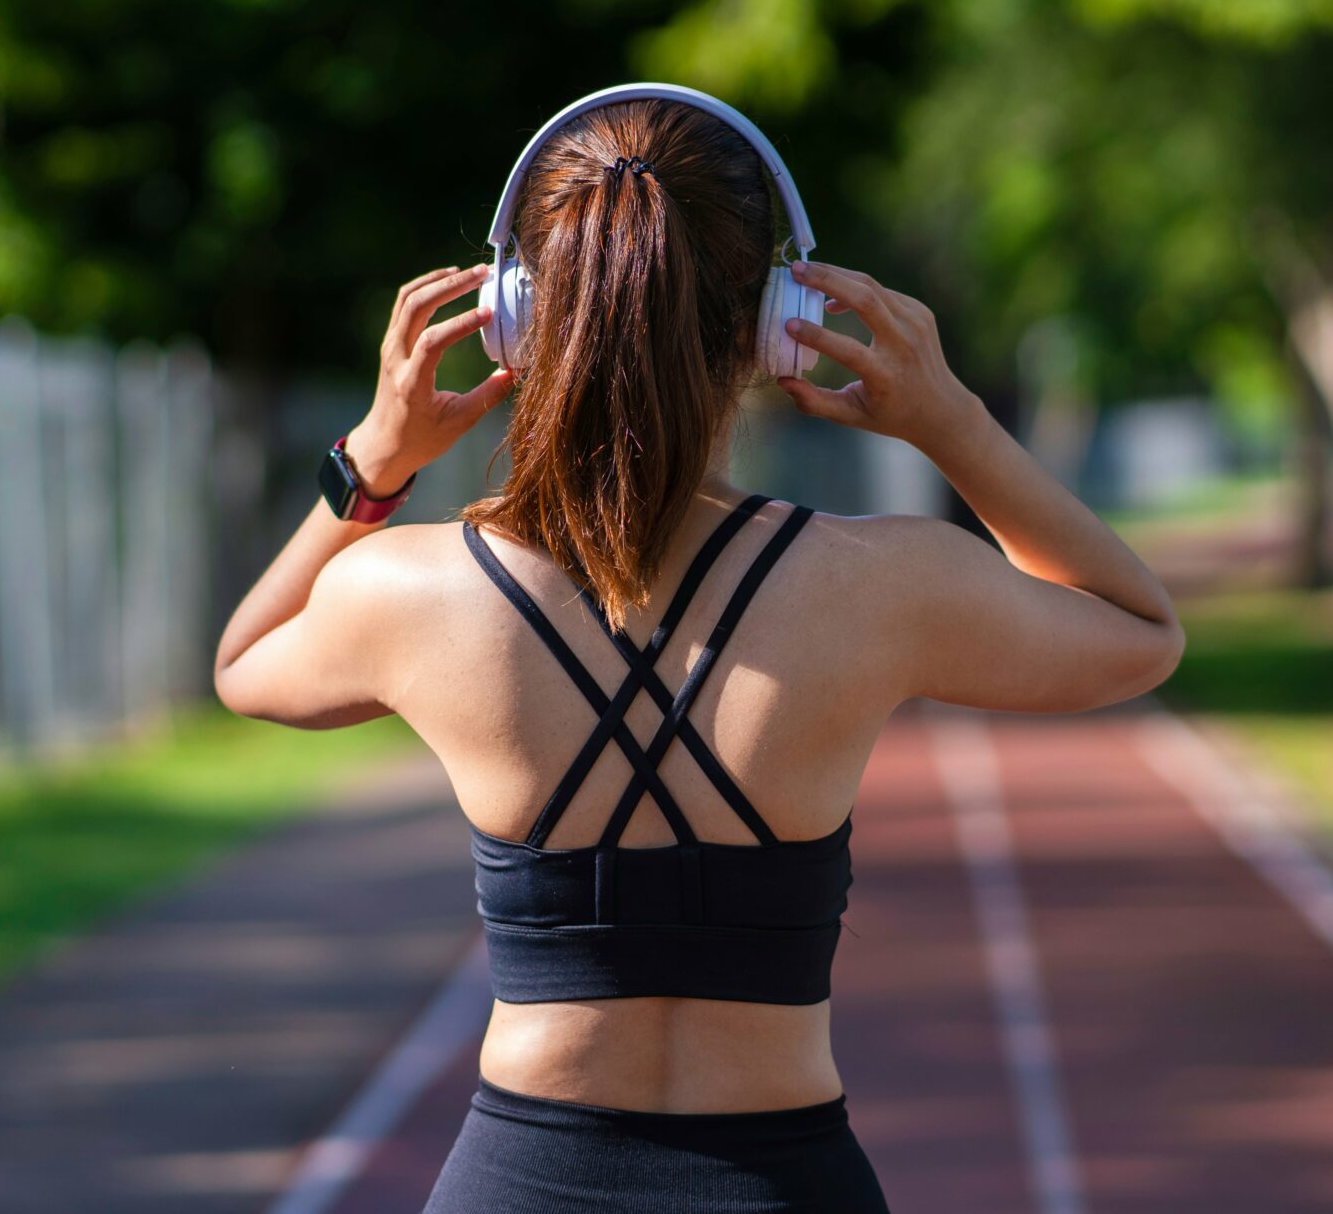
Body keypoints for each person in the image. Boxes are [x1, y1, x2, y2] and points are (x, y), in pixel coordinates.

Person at [215, 86, 1182, 1212]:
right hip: (782, 1185)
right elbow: (1138, 633)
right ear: (774, 327)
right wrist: (952, 422)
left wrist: (370, 463)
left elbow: (245, 661)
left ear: (518, 317)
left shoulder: (415, 590)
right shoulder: (878, 584)